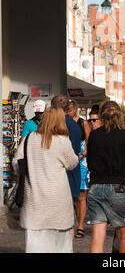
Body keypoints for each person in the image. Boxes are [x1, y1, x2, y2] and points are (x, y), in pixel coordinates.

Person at [12, 106, 79, 253]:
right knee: (60, 246)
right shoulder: (62, 140)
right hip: (58, 202)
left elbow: (17, 163)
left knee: (35, 245)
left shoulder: (29, 139)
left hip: (34, 201)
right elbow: (72, 163)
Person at [87, 100, 125, 253]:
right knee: (123, 238)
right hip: (118, 188)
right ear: (119, 116)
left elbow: (89, 162)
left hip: (96, 188)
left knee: (97, 237)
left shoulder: (94, 135)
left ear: (101, 116)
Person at [51, 95, 81, 239]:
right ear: (68, 108)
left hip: (53, 177)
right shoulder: (75, 126)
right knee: (69, 215)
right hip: (71, 173)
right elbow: (75, 153)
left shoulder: (49, 125)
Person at [68, 100, 91, 239]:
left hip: (82, 161)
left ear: (75, 110)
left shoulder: (83, 123)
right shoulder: (64, 123)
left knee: (81, 196)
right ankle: (70, 224)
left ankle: (80, 225)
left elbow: (89, 142)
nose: (69, 112)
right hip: (69, 159)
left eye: (70, 110)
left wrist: (82, 154)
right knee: (70, 195)